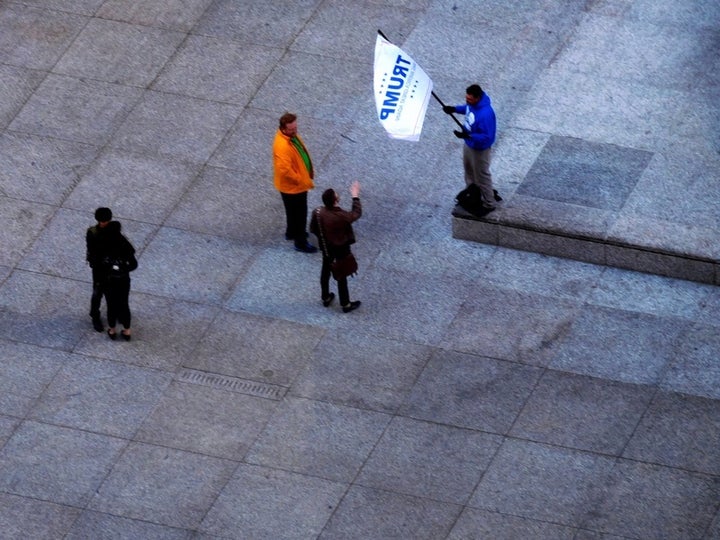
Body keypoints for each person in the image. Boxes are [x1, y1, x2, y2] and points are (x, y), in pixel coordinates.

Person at [443, 84, 501, 214]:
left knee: (482, 175)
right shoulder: (472, 104)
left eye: (470, 99)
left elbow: (487, 136)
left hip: (480, 149)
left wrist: (468, 135)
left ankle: (489, 203)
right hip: (469, 144)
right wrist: (454, 109)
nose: (467, 101)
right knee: (469, 170)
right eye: (466, 98)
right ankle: (473, 192)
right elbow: (467, 109)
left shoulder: (486, 114)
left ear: (478, 98)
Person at [310, 181, 362, 313]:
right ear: (336, 200)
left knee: (325, 271)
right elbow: (356, 214)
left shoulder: (317, 212)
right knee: (341, 275)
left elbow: (313, 228)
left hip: (326, 248)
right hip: (340, 249)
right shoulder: (340, 216)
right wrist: (355, 196)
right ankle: (346, 304)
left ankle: (326, 297)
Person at [272, 112, 318, 253]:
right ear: (283, 128)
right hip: (294, 187)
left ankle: (291, 232)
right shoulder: (283, 146)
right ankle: (300, 243)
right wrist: (301, 180)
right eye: (291, 129)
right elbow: (285, 170)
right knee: (300, 214)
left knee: (292, 212)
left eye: (295, 128)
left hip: (290, 186)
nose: (295, 131)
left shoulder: (289, 137)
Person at [97, 221, 138, 341]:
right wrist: (122, 270)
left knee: (111, 304)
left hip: (108, 280)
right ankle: (127, 330)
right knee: (124, 303)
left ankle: (112, 329)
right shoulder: (125, 244)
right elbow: (133, 264)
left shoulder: (104, 243)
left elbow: (98, 262)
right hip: (123, 280)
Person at [86, 207, 113, 332]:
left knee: (111, 292)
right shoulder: (92, 232)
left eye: (105, 221)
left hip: (111, 266)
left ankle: (113, 313)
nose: (104, 223)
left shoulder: (114, 230)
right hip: (99, 267)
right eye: (102, 221)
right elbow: (92, 250)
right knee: (97, 292)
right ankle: (95, 315)